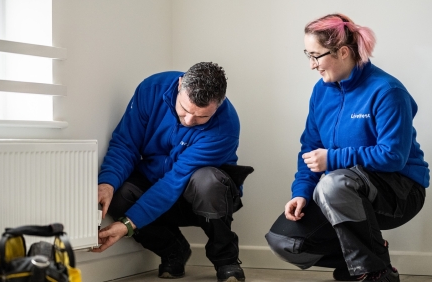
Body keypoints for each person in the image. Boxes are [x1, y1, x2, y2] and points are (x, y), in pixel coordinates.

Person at [265, 13, 429, 282]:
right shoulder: (321, 92)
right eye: (308, 55)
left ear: (342, 51)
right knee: (283, 240)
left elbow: (394, 156)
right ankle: (373, 258)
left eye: (316, 56)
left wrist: (332, 158)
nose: (311, 65)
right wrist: (302, 192)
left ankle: (375, 274)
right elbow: (311, 149)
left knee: (333, 183)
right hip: (341, 190)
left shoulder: (387, 91)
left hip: (401, 191)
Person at [91, 62, 253, 282]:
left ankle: (226, 260)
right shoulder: (150, 90)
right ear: (179, 85)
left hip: (200, 199)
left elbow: (174, 181)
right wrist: (107, 183)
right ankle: (173, 250)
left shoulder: (226, 127)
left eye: (201, 117)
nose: (188, 121)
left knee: (208, 182)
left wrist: (128, 225)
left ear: (219, 104)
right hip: (154, 184)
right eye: (185, 109)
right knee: (121, 194)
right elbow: (126, 144)